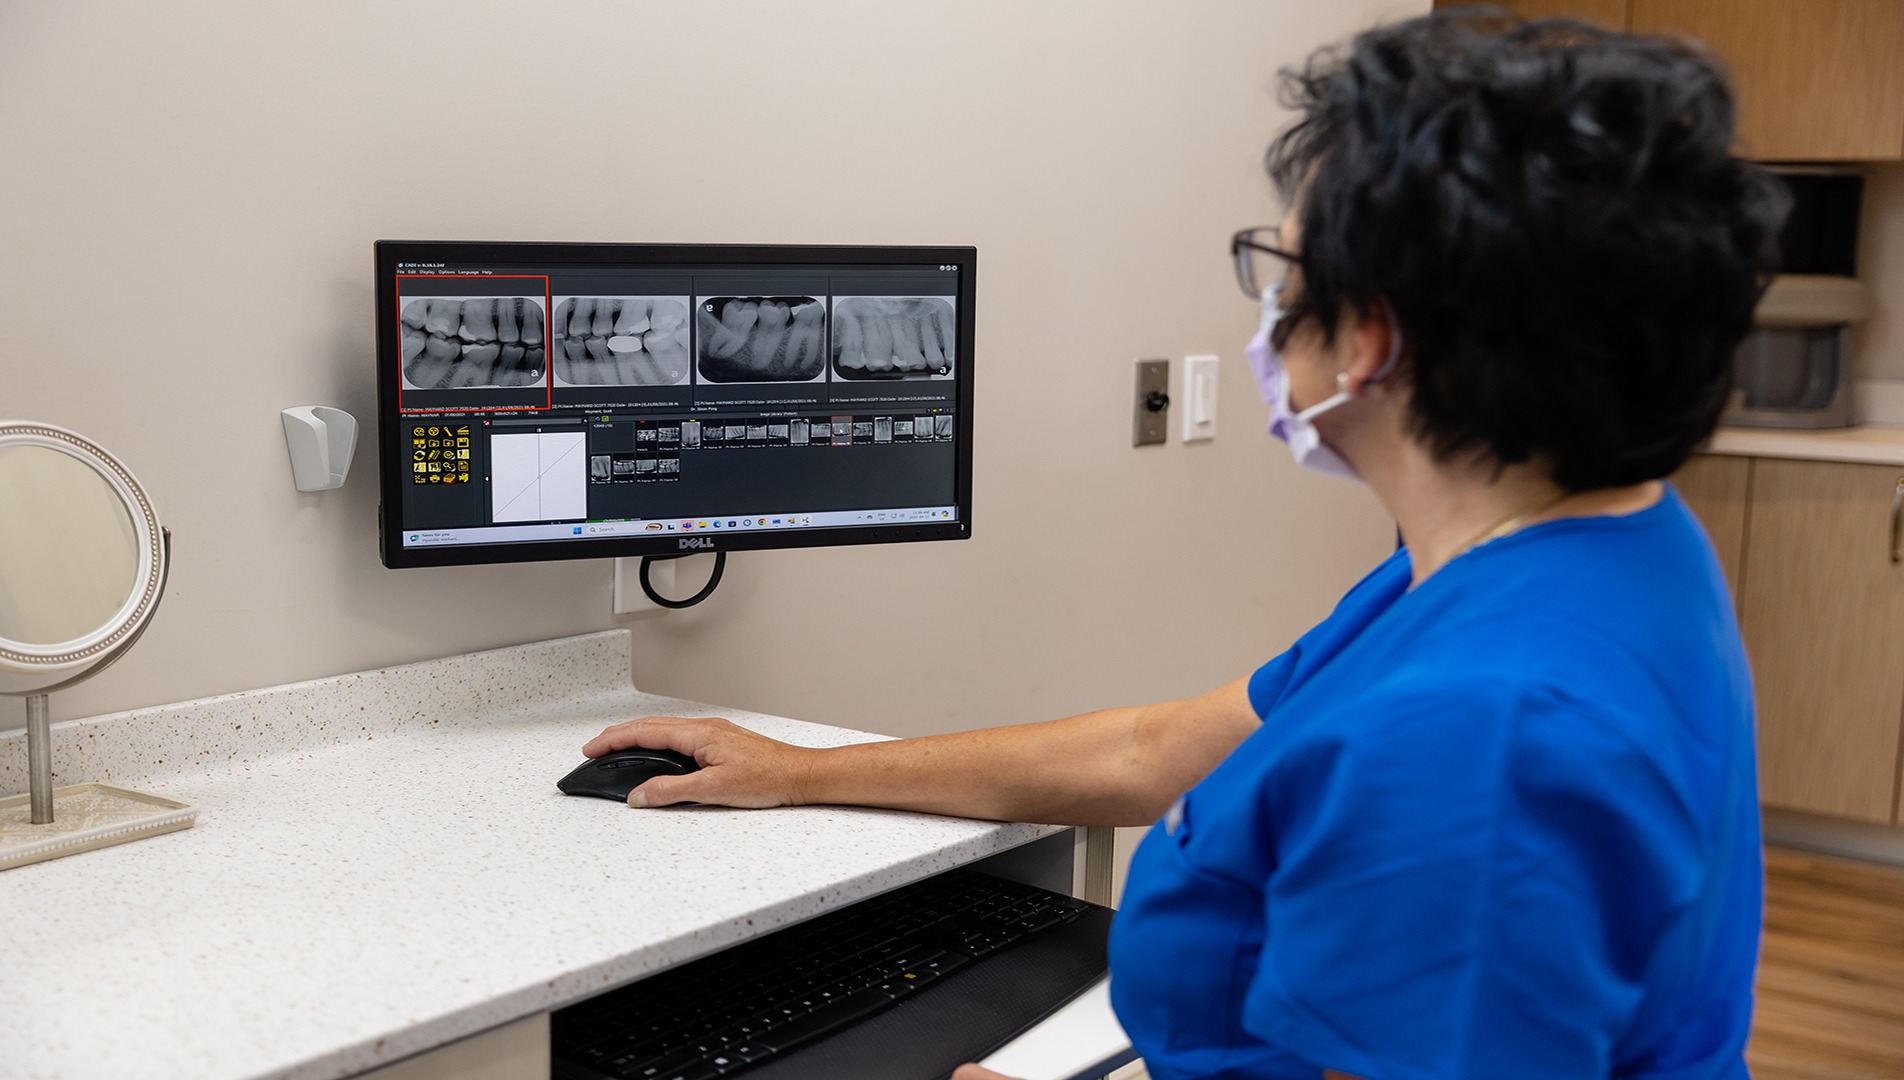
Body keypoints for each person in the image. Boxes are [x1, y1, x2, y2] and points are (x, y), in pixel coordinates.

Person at [582, 10, 1786, 1079]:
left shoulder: (1483, 732)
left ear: (1367, 341)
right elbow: (1153, 752)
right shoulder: (1572, 549)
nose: (1265, 311)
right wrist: (794, 770)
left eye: (1281, 266)